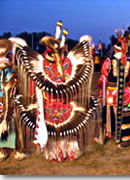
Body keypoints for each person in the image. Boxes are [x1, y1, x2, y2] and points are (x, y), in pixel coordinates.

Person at [14, 21, 100, 161]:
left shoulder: (65, 64)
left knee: (64, 129)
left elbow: (76, 69)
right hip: (53, 104)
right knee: (55, 130)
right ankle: (58, 152)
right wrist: (23, 47)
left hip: (63, 104)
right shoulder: (48, 64)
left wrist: (83, 44)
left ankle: (65, 151)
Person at [98, 29, 130, 147]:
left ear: (115, 49)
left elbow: (103, 78)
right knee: (125, 111)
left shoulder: (108, 61)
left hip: (111, 92)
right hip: (126, 92)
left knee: (110, 111)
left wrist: (101, 92)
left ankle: (110, 131)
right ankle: (126, 135)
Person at [0, 39, 27, 161]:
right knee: (14, 124)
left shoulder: (11, 73)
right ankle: (17, 151)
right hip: (10, 104)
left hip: (6, 104)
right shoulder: (11, 73)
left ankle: (2, 151)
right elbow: (17, 89)